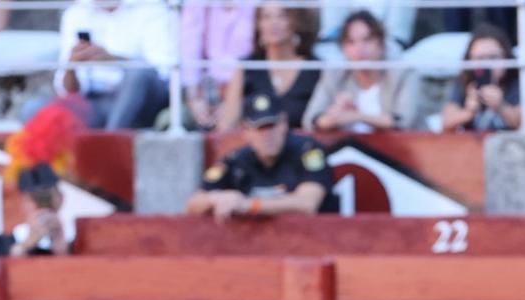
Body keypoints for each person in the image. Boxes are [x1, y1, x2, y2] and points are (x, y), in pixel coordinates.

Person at [187, 92, 337, 220]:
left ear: (284, 123)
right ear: (246, 131)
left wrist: (249, 205)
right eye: (259, 128)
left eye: (272, 126)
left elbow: (307, 204)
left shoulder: (308, 151)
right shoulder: (236, 159)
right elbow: (193, 204)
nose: (267, 135)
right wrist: (216, 199)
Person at [52, 0, 177, 130]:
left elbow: (163, 71)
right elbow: (66, 91)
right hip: (96, 103)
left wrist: (114, 60)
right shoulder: (76, 13)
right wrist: (71, 68)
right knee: (40, 107)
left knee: (138, 76)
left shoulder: (150, 7)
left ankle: (111, 139)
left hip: (143, 100)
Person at [303, 9, 414, 131]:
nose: (359, 48)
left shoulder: (402, 75)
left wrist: (356, 116)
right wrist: (333, 114)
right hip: (347, 143)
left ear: (381, 44)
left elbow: (403, 122)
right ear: (343, 48)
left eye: (367, 40)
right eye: (351, 42)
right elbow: (310, 121)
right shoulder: (335, 76)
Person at [218, 3, 320, 131]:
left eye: (282, 16)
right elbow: (227, 125)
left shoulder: (315, 68)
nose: (273, 23)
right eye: (266, 17)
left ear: (296, 21)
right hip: (254, 142)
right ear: (258, 24)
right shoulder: (247, 67)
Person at [179, 0, 254, 131]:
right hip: (205, 92)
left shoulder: (254, 5)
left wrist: (232, 101)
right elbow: (189, 48)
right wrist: (194, 98)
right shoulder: (197, 5)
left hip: (248, 90)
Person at [440, 23, 522, 132]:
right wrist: (469, 112)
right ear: (469, 59)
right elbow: (446, 123)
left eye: (493, 57)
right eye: (480, 58)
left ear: (506, 57)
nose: (486, 64)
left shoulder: (517, 82)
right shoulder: (465, 82)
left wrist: (502, 107)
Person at [0, 163, 73, 257]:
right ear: (23, 202)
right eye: (35, 199)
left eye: (47, 199)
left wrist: (60, 241)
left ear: (61, 198)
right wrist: (27, 244)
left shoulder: (77, 241)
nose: (42, 205)